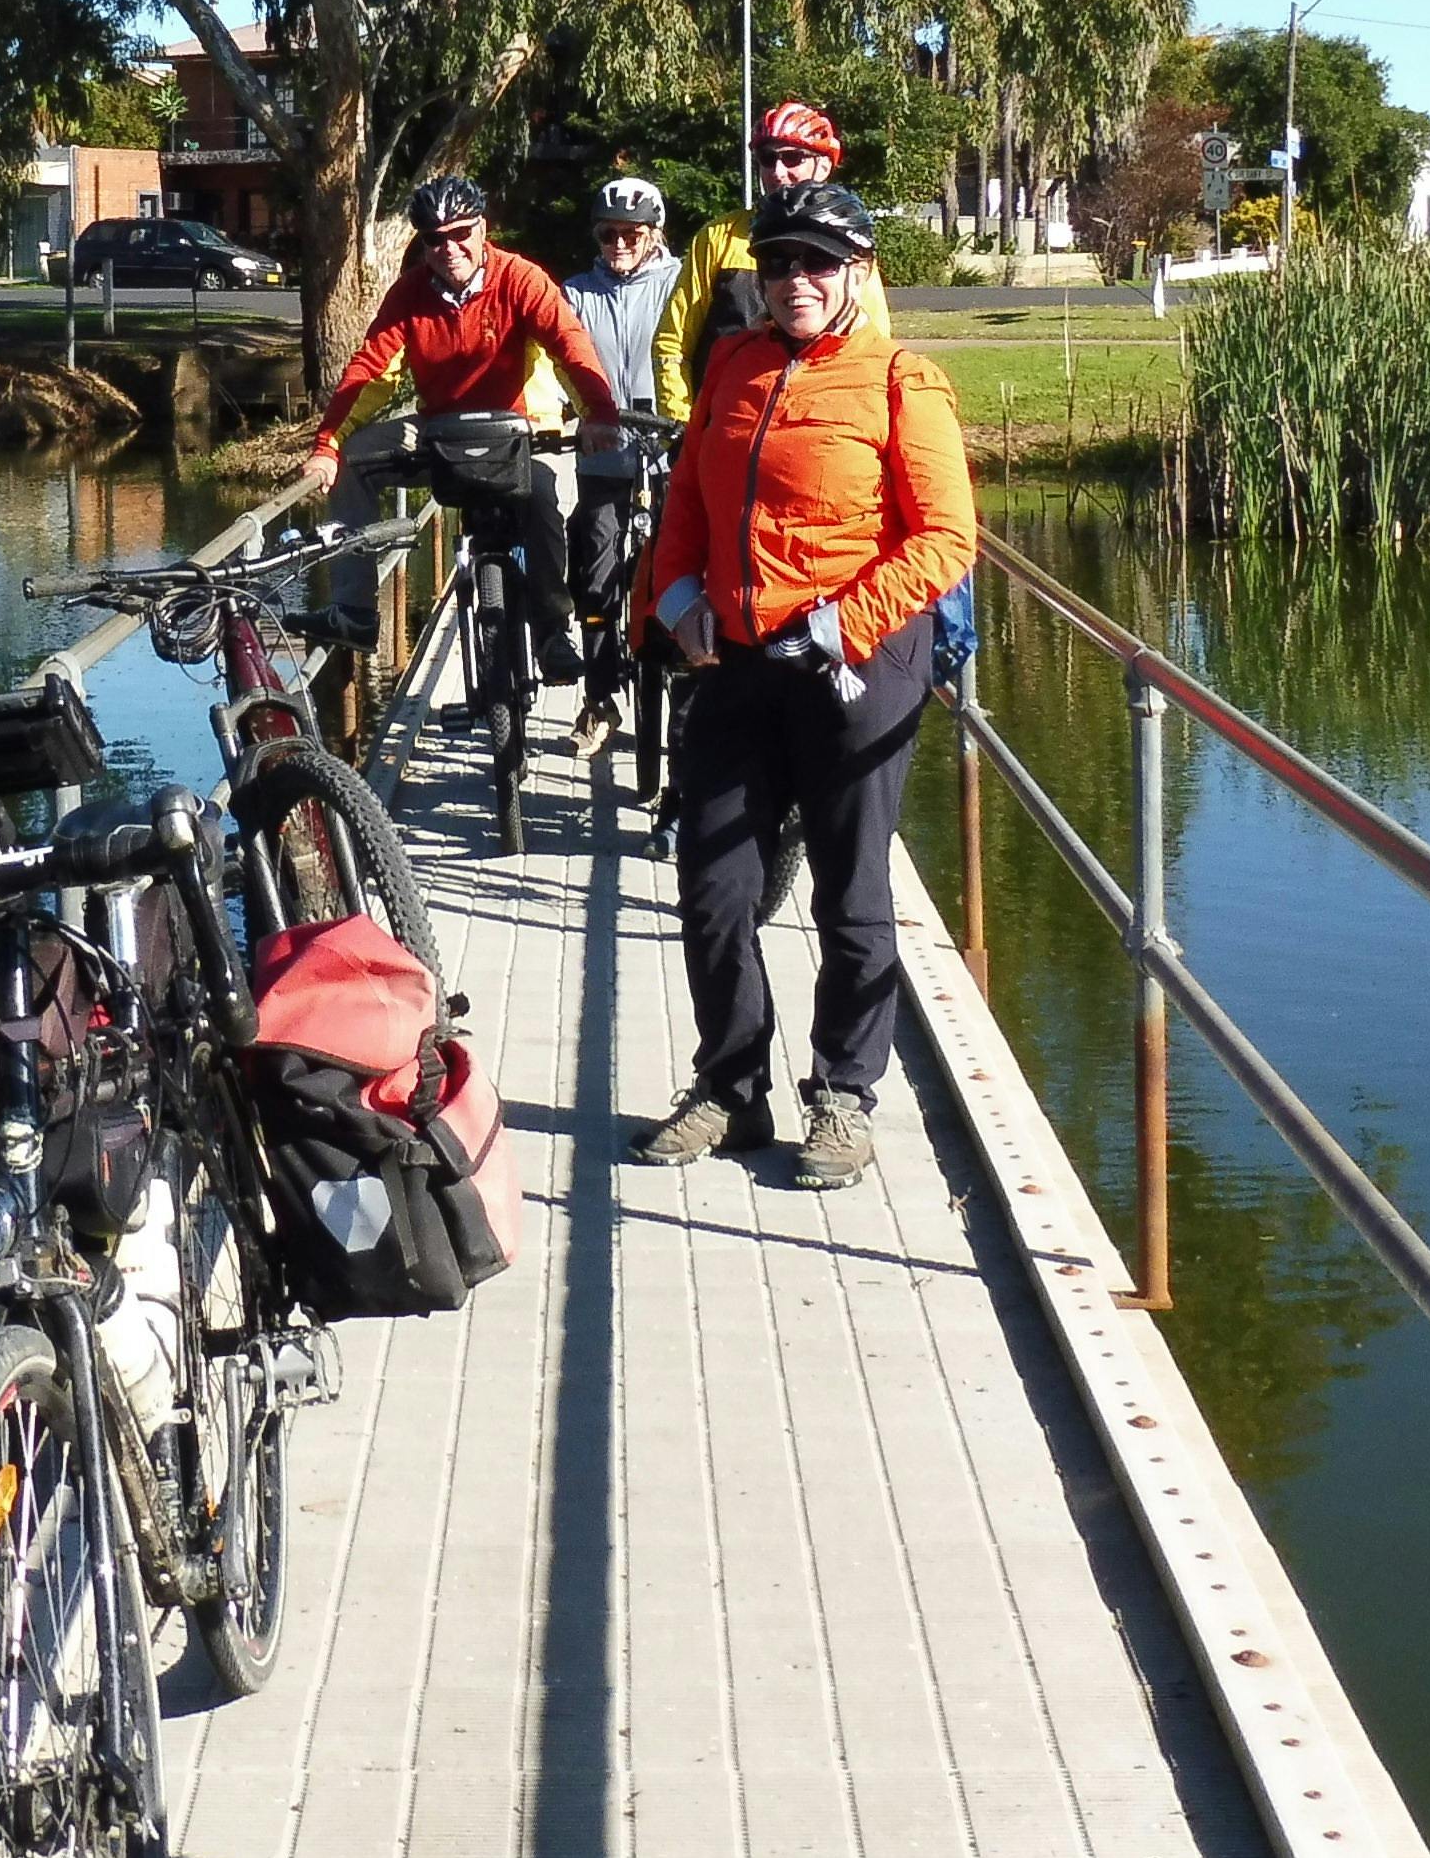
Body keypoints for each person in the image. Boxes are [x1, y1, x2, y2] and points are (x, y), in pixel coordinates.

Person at [633, 178, 975, 1191]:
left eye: (817, 263)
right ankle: (733, 1087)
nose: (794, 282)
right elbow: (689, 493)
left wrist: (843, 623)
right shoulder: (733, 364)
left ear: (859, 273)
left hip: (855, 667)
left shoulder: (904, 380)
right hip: (735, 660)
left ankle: (844, 1094)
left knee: (852, 893)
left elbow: (946, 537)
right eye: (776, 263)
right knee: (714, 886)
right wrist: (678, 594)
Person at [294, 174, 625, 695]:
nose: (449, 248)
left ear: (483, 229)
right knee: (355, 460)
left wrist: (599, 413)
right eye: (434, 238)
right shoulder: (409, 294)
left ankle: (552, 633)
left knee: (543, 498)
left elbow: (570, 345)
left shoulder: (521, 279)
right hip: (441, 430)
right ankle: (356, 611)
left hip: (520, 430)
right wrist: (327, 443)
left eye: (460, 233)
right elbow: (371, 372)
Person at [653, 101, 894, 418]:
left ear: (823, 166)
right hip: (725, 427)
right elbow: (673, 344)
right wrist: (682, 426)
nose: (777, 172)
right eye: (767, 159)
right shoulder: (717, 237)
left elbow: (874, 347)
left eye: (792, 157)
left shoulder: (845, 239)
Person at [557, 176, 682, 756]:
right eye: (608, 233)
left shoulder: (680, 284)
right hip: (604, 446)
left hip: (668, 443)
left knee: (681, 563)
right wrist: (577, 413)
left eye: (631, 233)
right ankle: (599, 696)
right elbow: (555, 358)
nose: (618, 244)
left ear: (655, 233)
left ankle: (687, 700)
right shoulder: (576, 291)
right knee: (596, 559)